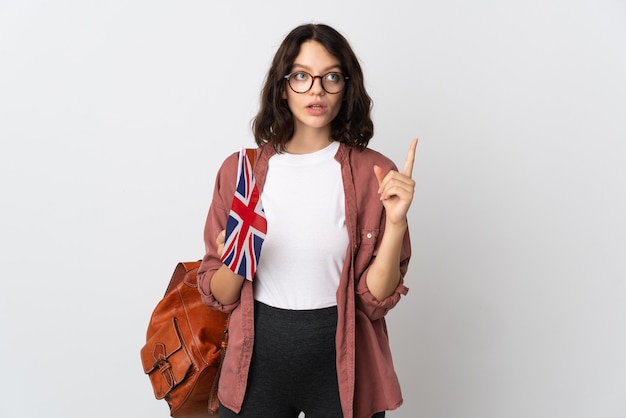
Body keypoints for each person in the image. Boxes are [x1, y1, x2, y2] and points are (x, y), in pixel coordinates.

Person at [197, 23, 417, 418]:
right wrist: (236, 256)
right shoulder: (240, 172)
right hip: (255, 367)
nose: (316, 89)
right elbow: (221, 295)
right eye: (301, 76)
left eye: (331, 77)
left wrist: (396, 223)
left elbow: (375, 301)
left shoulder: (375, 174)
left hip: (343, 369)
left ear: (346, 87)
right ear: (282, 87)